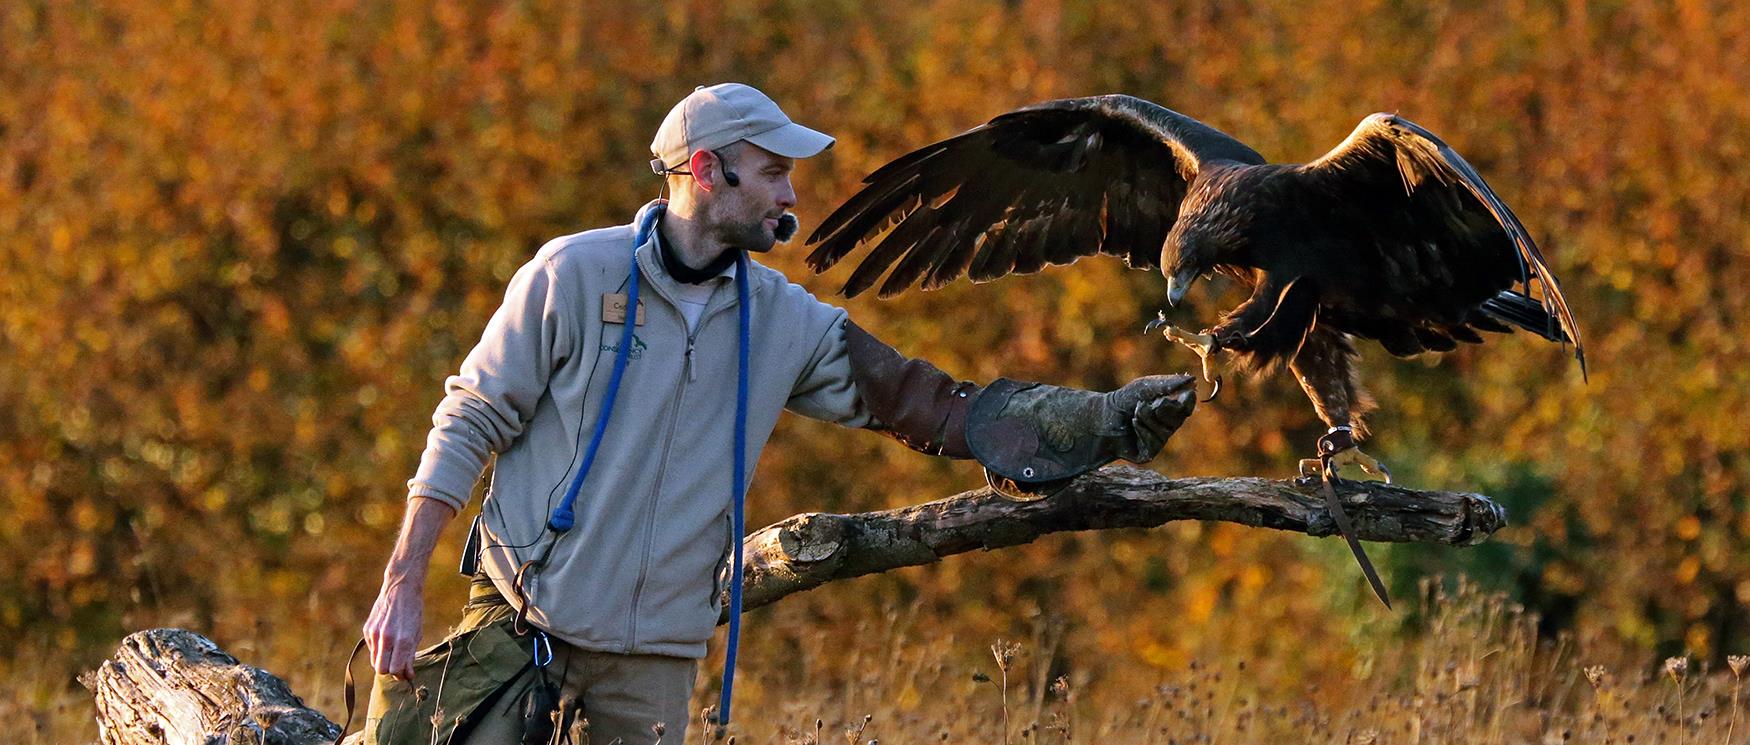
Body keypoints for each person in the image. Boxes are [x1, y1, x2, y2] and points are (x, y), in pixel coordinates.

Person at [352, 83, 1196, 745]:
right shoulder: (571, 276)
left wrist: (1102, 421)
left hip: (654, 662)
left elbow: (928, 404)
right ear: (708, 171)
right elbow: (469, 420)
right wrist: (401, 585)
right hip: (523, 623)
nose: (789, 195)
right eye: (772, 173)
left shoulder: (785, 320)